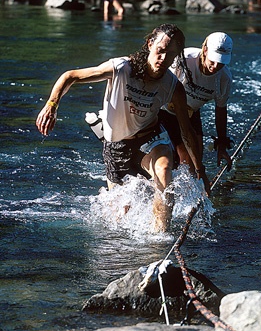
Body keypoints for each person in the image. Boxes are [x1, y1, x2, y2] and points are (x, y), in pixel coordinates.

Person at [36, 24, 209, 232]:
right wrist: (52, 105)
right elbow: (70, 76)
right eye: (160, 51)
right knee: (119, 218)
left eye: (170, 55)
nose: (163, 58)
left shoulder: (173, 87)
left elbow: (186, 131)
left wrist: (200, 170)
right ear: (150, 44)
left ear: (176, 58)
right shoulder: (121, 68)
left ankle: (160, 238)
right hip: (116, 145)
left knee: (164, 171)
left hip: (150, 138)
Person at [159, 32, 233, 173]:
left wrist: (222, 144)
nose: (216, 66)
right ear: (205, 50)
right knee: (182, 159)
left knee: (196, 165)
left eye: (222, 62)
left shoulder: (224, 79)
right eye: (212, 60)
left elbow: (221, 110)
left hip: (191, 113)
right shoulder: (184, 59)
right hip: (163, 111)